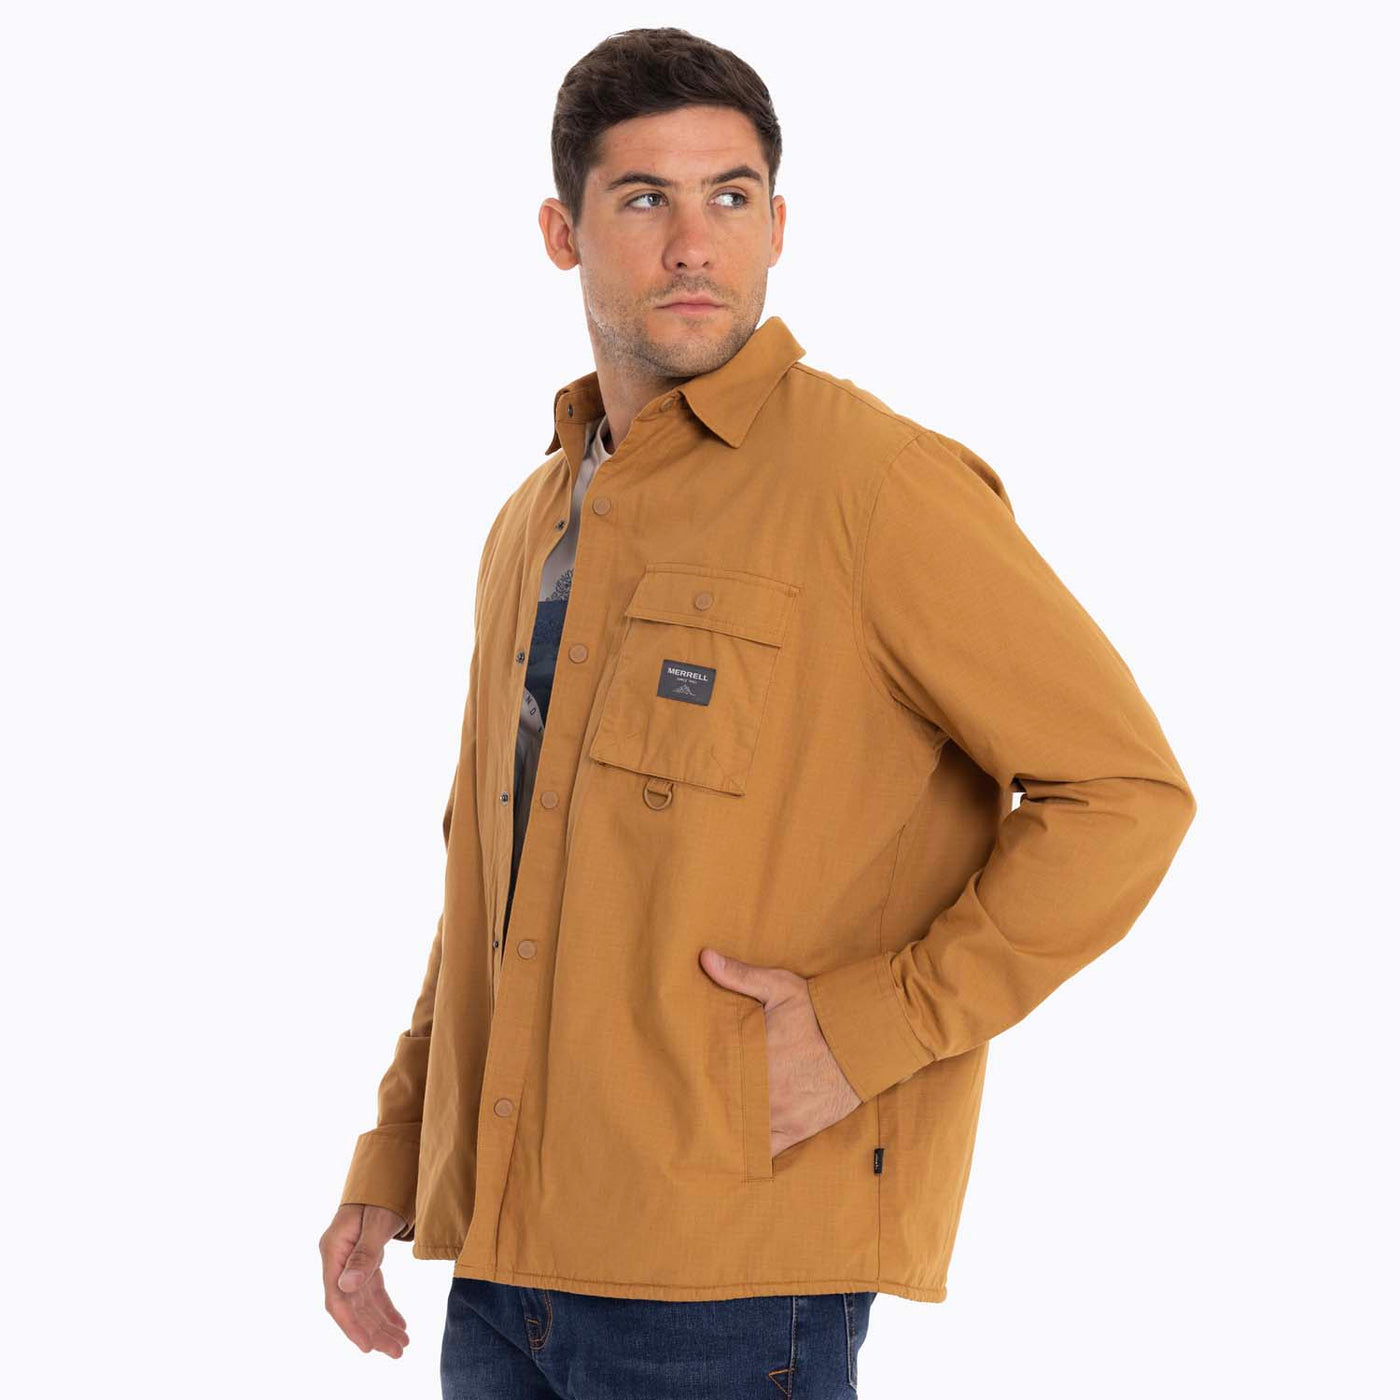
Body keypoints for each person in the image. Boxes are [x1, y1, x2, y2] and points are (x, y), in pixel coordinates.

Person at [319, 26, 1197, 1398]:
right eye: (644, 199)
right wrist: (398, 1147)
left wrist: (870, 1031)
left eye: (730, 197)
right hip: (497, 1264)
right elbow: (492, 874)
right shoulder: (532, 521)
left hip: (729, 1279)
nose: (694, 245)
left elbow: (1125, 796)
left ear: (778, 226)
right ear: (562, 232)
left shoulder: (875, 486)